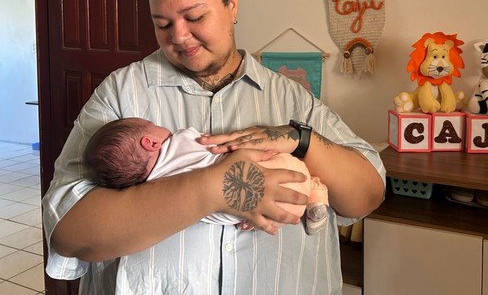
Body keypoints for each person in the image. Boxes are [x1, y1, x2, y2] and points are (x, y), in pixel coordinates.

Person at [42, 0, 386, 295]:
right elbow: (69, 234)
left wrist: (302, 140)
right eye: (162, 24)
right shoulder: (120, 94)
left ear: (232, 4)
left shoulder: (292, 98)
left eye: (195, 16)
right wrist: (216, 188)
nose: (179, 36)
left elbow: (367, 197)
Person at [84, 117, 330, 234]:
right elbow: (218, 146)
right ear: (150, 142)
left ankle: (306, 207)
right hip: (281, 169)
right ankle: (316, 195)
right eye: (150, 123)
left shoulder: (152, 191)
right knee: (303, 176)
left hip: (268, 215)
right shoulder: (180, 141)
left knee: (227, 216)